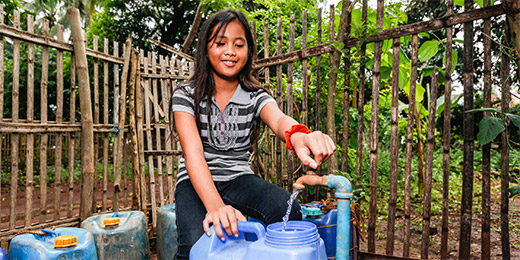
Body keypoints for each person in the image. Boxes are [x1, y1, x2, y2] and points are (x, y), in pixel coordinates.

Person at [169, 9, 336, 259]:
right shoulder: (185, 95)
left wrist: (300, 136)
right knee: (194, 244)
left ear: (248, 52)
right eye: (220, 43)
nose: (230, 51)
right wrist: (215, 206)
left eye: (239, 44)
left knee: (285, 210)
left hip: (238, 177)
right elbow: (193, 154)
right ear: (205, 49)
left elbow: (279, 120)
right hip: (195, 181)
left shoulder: (256, 96)